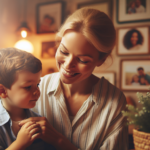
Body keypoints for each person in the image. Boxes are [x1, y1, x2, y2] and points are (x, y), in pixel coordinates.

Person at [19, 8, 128, 150]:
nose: (68, 65)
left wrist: (60, 141)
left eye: (82, 60)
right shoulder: (35, 87)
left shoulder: (114, 102)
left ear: (101, 60)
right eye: (63, 51)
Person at [0, 48, 55, 150]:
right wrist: (19, 144)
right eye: (28, 87)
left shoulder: (39, 121)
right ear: (3, 91)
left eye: (37, 84)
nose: (37, 91)